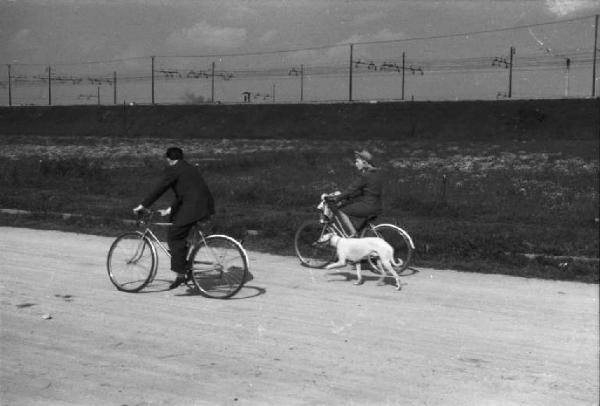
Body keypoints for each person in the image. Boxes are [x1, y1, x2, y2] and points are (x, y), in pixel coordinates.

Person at [133, 147, 215, 290]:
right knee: (180, 231)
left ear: (169, 159)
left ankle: (181, 272)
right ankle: (182, 270)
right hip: (204, 205)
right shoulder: (189, 168)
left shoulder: (174, 169)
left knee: (174, 236)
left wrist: (143, 205)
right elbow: (185, 191)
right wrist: (170, 210)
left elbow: (160, 188)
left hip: (194, 207)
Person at [327, 149, 383, 236]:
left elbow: (351, 189)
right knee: (360, 224)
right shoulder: (376, 174)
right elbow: (364, 191)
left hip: (368, 206)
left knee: (342, 211)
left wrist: (336, 198)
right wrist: (349, 197)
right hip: (377, 206)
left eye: (357, 161)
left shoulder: (365, 175)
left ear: (364, 163)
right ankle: (359, 238)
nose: (355, 164)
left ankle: (353, 234)